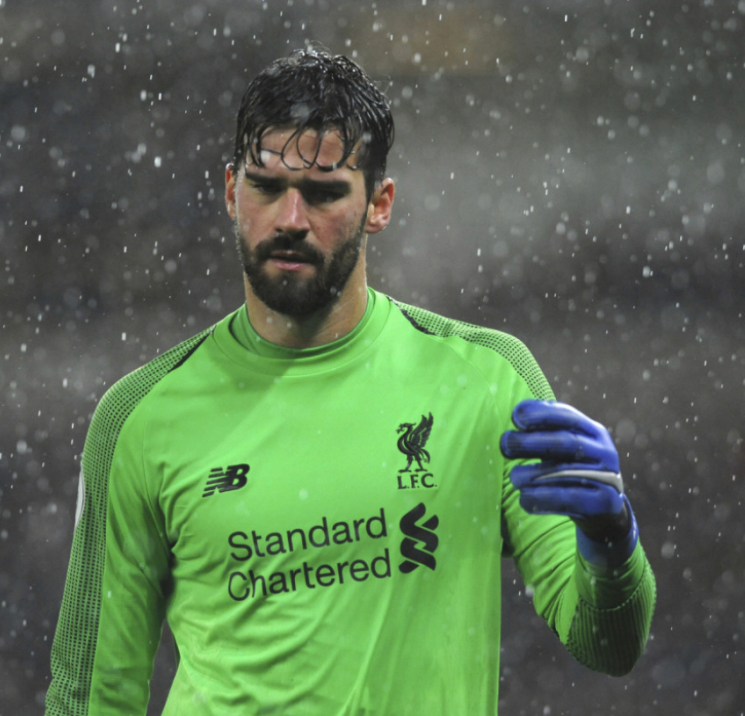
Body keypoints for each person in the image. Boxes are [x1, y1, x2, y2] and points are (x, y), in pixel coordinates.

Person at [45, 49, 656, 715]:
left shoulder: (485, 382)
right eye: (266, 187)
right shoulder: (140, 418)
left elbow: (607, 644)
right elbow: (88, 697)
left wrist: (611, 543)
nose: (290, 219)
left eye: (324, 193)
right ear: (230, 192)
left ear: (378, 204)